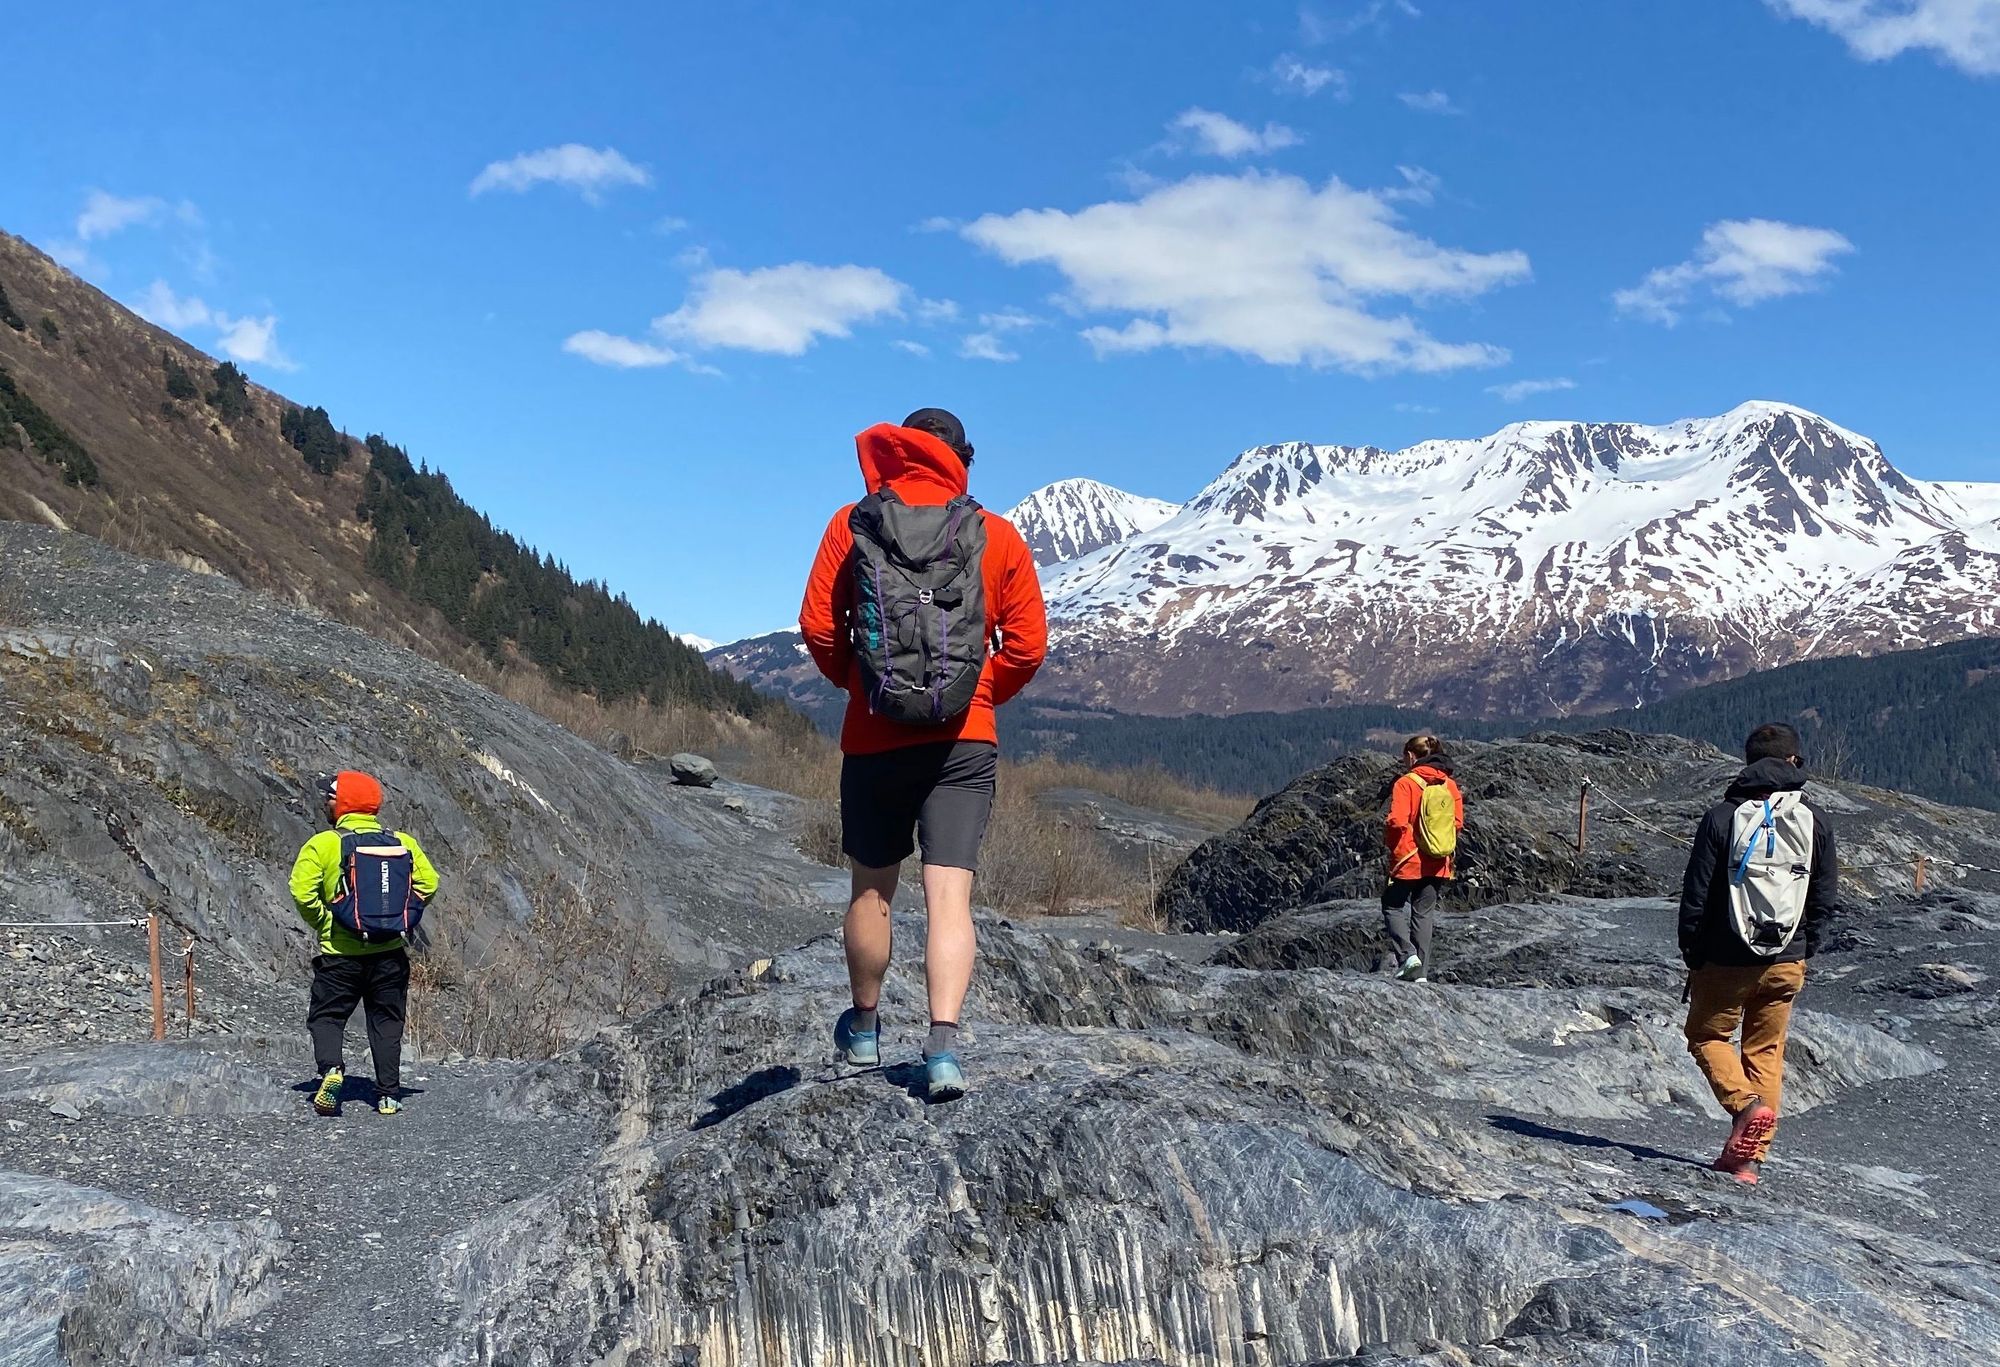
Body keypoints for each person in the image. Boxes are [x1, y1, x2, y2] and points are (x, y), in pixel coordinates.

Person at [799, 408, 1047, 1101]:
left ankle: (866, 1026)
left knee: (871, 891)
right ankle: (941, 1047)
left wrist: (860, 682)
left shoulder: (852, 524)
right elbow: (1027, 645)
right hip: (963, 742)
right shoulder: (996, 535)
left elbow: (819, 624)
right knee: (949, 898)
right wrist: (979, 690)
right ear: (963, 457)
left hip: (874, 735)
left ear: (900, 451)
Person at [1677, 722, 1838, 1185]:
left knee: (1707, 1037)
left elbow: (1697, 893)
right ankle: (1749, 1163)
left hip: (1726, 957)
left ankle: (1745, 1108)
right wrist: (1808, 945)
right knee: (1764, 1051)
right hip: (1789, 957)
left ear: (1748, 763)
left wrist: (1693, 950)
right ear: (1794, 762)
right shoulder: (1814, 819)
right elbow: (1824, 895)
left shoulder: (1723, 816)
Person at [290, 770, 440, 1117]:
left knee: (327, 1016)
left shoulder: (324, 843)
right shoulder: (401, 841)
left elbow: (301, 890)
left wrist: (326, 921)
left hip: (340, 955)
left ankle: (331, 1071)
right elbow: (429, 883)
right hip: (389, 952)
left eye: (329, 798)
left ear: (341, 804)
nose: (325, 804)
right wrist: (403, 916)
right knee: (386, 1020)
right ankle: (387, 1095)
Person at [1382, 734, 1463, 983]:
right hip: (1438, 858)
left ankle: (1407, 956)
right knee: (1423, 913)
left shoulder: (1406, 783)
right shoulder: (1448, 784)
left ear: (1410, 756)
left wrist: (1390, 834)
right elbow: (1457, 822)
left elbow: (1397, 820)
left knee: (1392, 906)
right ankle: (1421, 974)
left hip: (1408, 858)